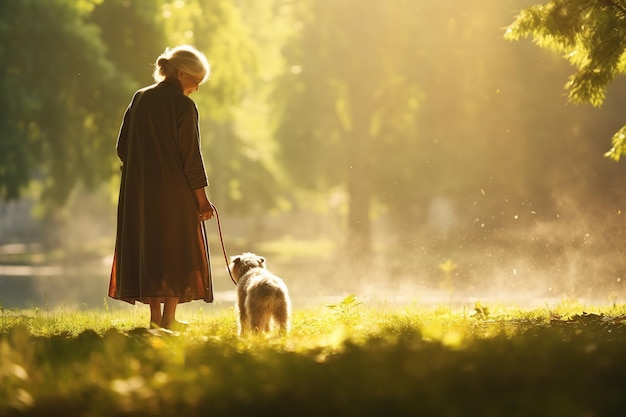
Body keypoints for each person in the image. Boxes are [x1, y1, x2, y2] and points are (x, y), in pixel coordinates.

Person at [108, 45, 215, 331]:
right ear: (181, 73)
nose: (196, 88)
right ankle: (169, 319)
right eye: (195, 81)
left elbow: (122, 148)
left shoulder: (140, 98)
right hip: (174, 193)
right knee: (176, 250)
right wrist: (203, 202)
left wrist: (143, 168)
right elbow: (191, 158)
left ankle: (156, 320)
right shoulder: (183, 106)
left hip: (139, 194)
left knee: (151, 250)